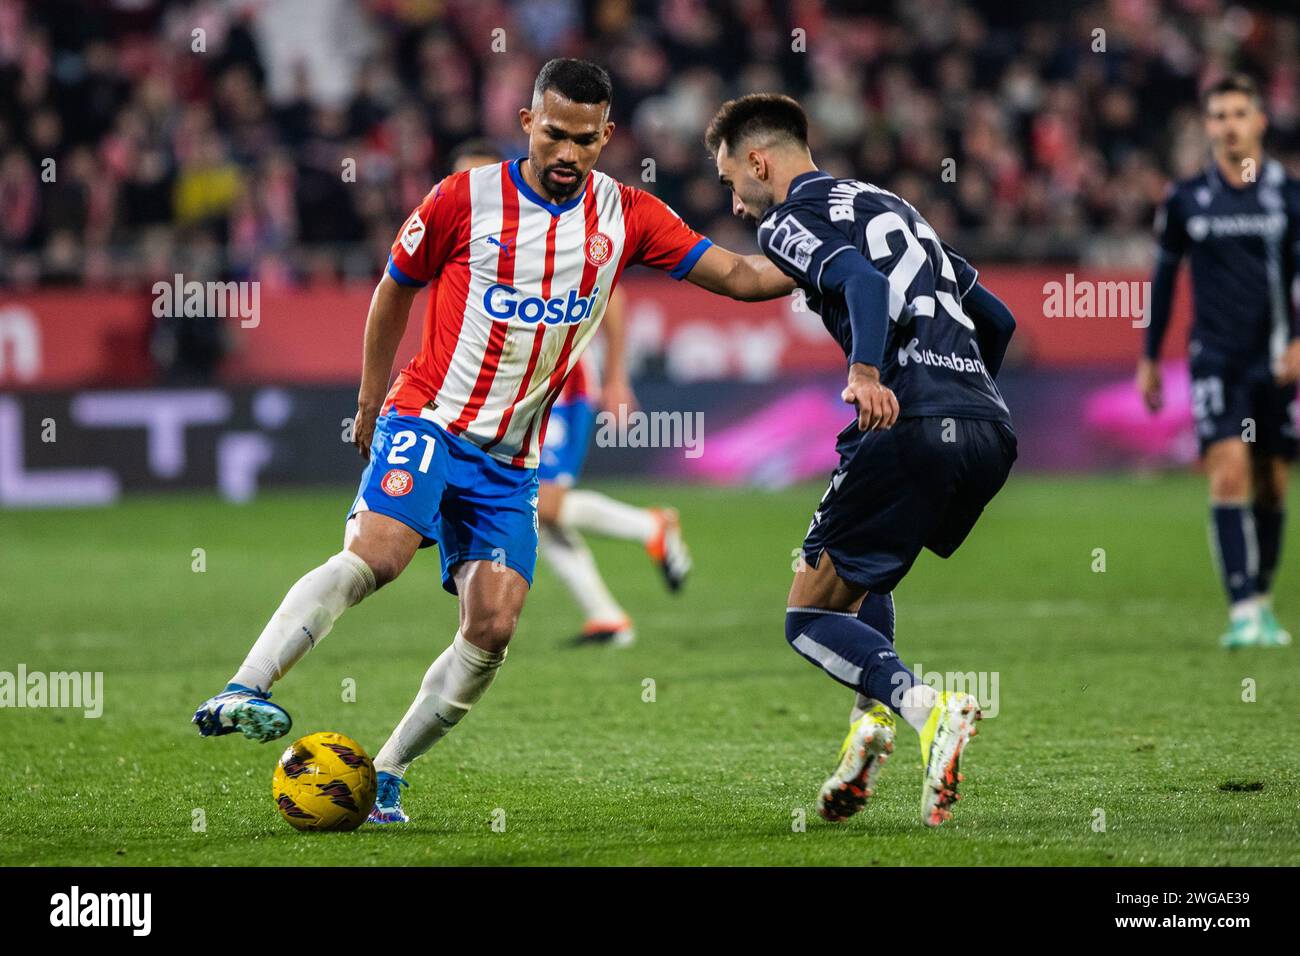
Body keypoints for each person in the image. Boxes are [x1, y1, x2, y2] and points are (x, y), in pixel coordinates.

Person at [190, 59, 794, 826]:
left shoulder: (629, 214)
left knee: (494, 626)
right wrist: (371, 402)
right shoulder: (462, 198)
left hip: (511, 458)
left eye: (584, 138)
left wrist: (825, 266)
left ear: (607, 136)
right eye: (553, 134)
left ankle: (388, 773)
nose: (567, 152)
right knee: (379, 556)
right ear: (527, 124)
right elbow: (392, 291)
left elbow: (739, 275)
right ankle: (247, 684)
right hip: (430, 418)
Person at [707, 93, 1018, 826]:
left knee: (806, 616)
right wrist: (962, 394)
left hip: (906, 416)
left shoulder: (790, 218)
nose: (739, 204)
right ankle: (868, 726)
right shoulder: (893, 205)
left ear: (759, 161)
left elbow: (864, 284)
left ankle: (925, 708)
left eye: (731, 184)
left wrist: (869, 371)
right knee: (865, 570)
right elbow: (997, 320)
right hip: (988, 428)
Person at [447, 139, 691, 649]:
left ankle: (650, 525)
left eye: (474, 176)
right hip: (508, 392)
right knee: (535, 505)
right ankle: (606, 615)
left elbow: (614, 297)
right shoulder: (469, 234)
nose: (463, 190)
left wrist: (618, 377)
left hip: (562, 385)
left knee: (547, 503)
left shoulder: (549, 223)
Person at [1138, 73, 1300, 650]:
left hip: (1276, 361)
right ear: (1208, 127)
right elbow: (1162, 280)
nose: (1229, 125)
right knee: (1228, 468)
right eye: (1219, 115)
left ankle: (1261, 598)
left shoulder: (1287, 194)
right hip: (1216, 359)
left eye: (1239, 113)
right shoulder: (1186, 198)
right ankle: (1243, 609)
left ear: (1259, 121)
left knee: (1273, 483)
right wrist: (1150, 357)